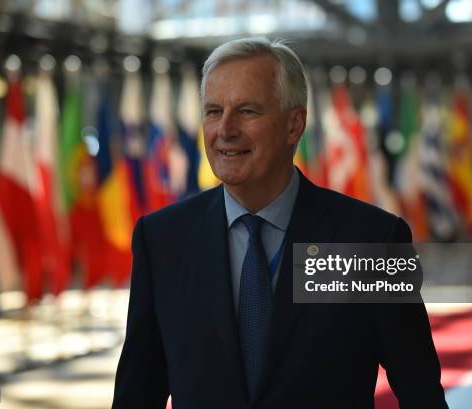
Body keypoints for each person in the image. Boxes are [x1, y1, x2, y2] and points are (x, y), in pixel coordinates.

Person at [112, 37, 448, 409]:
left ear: (294, 125)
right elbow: (137, 394)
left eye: (247, 111)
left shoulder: (369, 242)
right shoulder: (163, 241)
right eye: (212, 111)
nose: (224, 129)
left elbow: (422, 394)